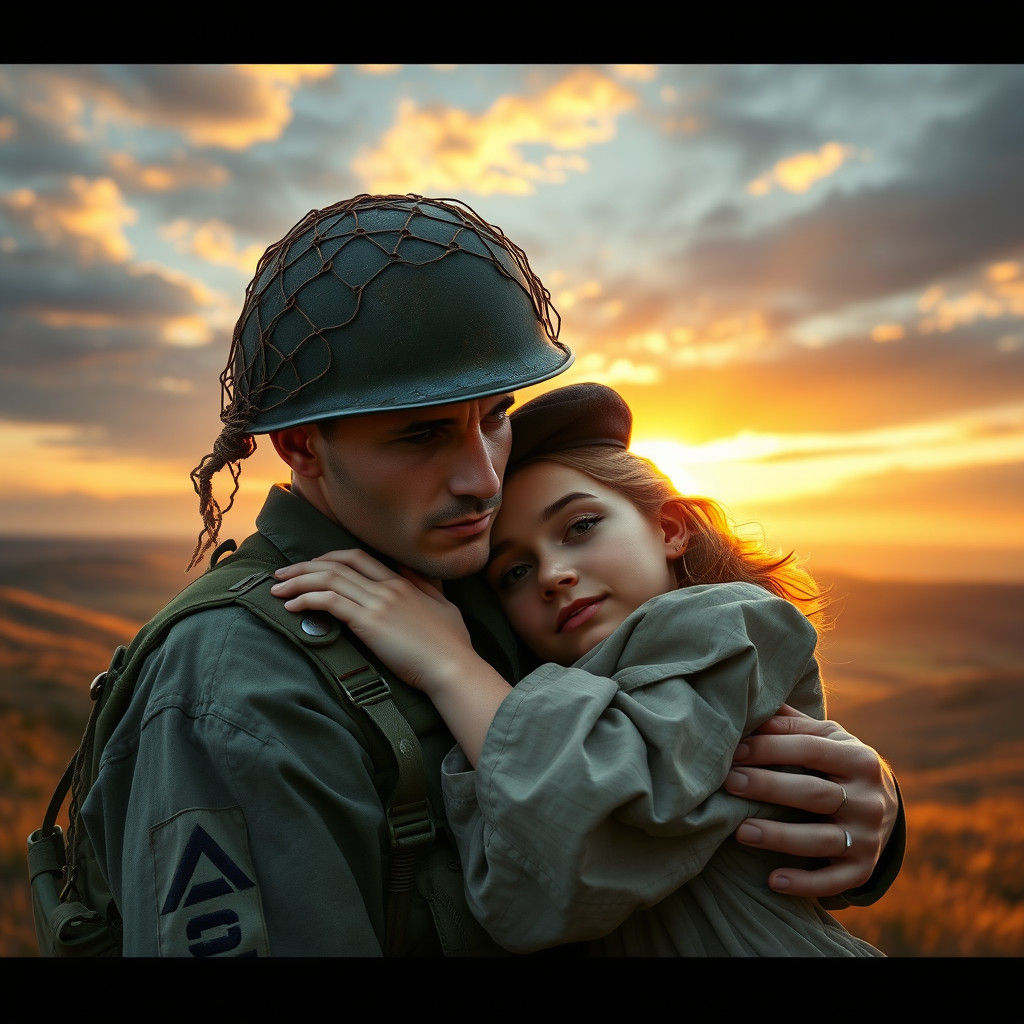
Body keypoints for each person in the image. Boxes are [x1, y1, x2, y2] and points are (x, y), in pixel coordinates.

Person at [82, 195, 903, 957]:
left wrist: (861, 810)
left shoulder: (482, 584)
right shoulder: (237, 687)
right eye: (421, 436)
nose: (481, 478)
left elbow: (679, 770)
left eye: (497, 416)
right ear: (302, 448)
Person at [271, 382, 887, 955]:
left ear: (669, 527)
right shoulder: (558, 693)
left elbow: (598, 808)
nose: (552, 574)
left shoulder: (735, 626)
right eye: (513, 572)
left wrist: (448, 663)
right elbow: (525, 907)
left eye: (581, 526)